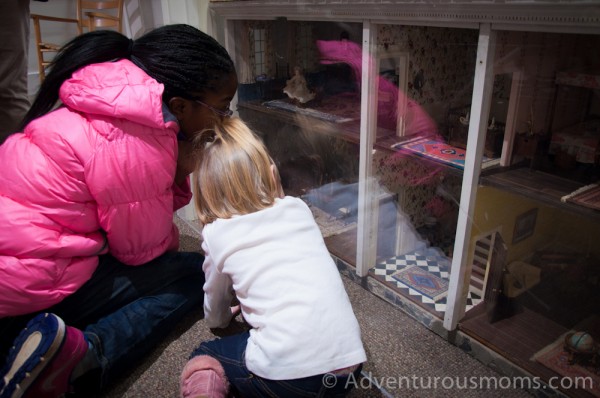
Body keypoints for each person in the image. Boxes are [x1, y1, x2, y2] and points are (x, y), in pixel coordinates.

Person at [0, 24, 238, 397]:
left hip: (11, 281)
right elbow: (146, 251)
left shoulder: (107, 101)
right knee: (198, 275)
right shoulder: (140, 138)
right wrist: (179, 172)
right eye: (221, 109)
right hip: (17, 305)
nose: (226, 121)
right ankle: (81, 360)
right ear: (179, 106)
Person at [179, 117, 367, 398]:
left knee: (206, 354)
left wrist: (219, 320)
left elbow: (215, 304)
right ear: (271, 174)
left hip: (289, 379)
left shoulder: (216, 233)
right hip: (349, 371)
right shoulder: (298, 208)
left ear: (207, 192)